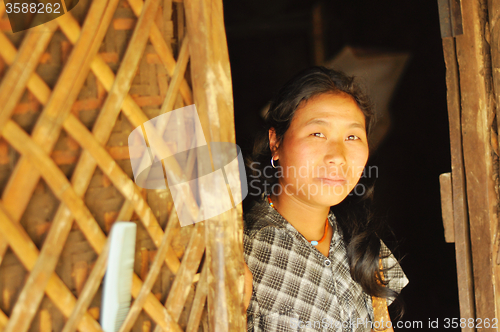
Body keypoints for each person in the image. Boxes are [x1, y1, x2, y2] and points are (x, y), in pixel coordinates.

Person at [242, 66, 409, 332]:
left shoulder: (363, 246)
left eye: (352, 136)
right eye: (317, 133)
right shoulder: (242, 251)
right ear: (276, 142)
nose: (338, 156)